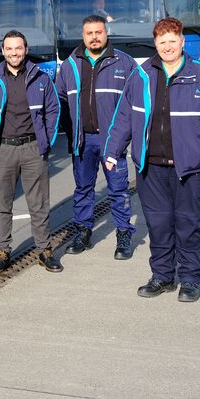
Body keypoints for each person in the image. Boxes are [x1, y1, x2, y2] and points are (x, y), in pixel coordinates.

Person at [104, 17, 200, 302]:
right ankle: (162, 276)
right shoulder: (141, 75)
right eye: (162, 42)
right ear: (155, 44)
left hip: (191, 168)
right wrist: (112, 150)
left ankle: (189, 279)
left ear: (182, 42)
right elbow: (124, 116)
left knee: (187, 224)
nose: (168, 47)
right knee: (159, 225)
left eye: (173, 41)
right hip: (151, 168)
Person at [0, 30, 62, 273]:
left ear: (26, 49)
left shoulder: (41, 78)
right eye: (9, 49)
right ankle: (3, 251)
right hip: (3, 150)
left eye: (18, 48)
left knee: (39, 203)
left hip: (34, 148)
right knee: (2, 204)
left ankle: (44, 250)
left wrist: (47, 140)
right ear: (3, 51)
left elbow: (53, 110)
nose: (14, 53)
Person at [54, 15, 137, 260]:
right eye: (89, 33)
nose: (94, 37)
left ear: (106, 33)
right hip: (82, 140)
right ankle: (83, 231)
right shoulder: (70, 65)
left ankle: (123, 234)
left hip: (112, 141)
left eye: (98, 32)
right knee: (83, 189)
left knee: (119, 190)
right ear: (83, 36)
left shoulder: (124, 63)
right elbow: (59, 102)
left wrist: (126, 136)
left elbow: (135, 104)